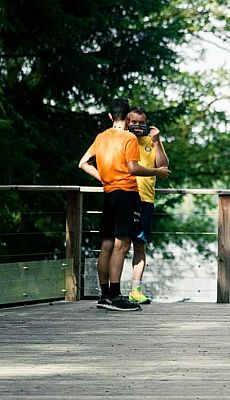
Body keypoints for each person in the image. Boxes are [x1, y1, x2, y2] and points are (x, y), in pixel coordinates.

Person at [78, 98, 171, 311]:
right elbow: (132, 168)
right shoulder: (128, 138)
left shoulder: (101, 137)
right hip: (127, 194)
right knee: (122, 244)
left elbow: (82, 163)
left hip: (109, 193)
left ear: (110, 116)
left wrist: (103, 177)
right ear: (127, 117)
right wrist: (157, 172)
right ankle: (116, 295)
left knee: (106, 244)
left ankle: (104, 296)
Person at [125, 108, 170, 304]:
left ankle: (135, 290)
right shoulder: (122, 139)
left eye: (140, 122)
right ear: (127, 122)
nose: (137, 125)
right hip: (126, 197)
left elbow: (164, 166)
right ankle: (112, 291)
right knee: (120, 245)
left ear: (146, 123)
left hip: (146, 200)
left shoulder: (151, 142)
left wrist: (157, 141)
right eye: (133, 122)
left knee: (140, 246)